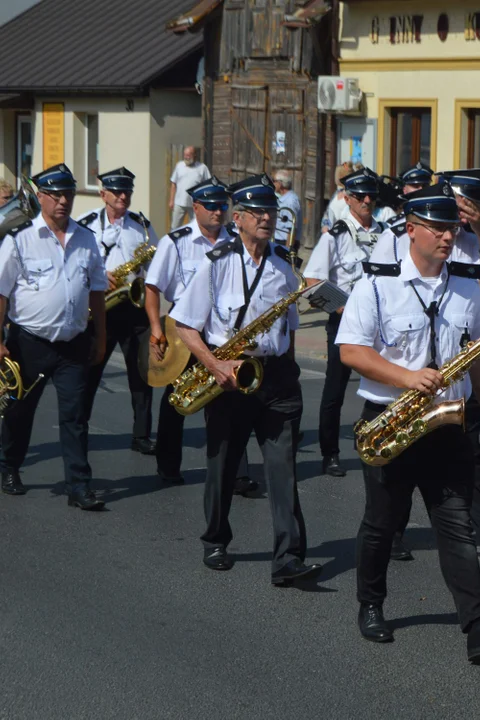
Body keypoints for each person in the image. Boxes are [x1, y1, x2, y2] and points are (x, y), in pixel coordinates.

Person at [336, 180, 480, 661]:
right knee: (382, 522)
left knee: (457, 523)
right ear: (411, 230)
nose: (448, 237)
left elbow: (479, 357)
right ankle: (371, 603)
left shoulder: (466, 285)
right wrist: (405, 377)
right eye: (439, 228)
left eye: (452, 228)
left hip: (448, 422)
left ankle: (479, 623)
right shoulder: (377, 283)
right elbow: (350, 351)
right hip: (393, 417)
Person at [169, 173, 320, 586]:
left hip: (276, 377)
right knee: (223, 463)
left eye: (270, 210)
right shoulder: (215, 264)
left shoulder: (285, 263)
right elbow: (184, 324)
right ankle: (215, 539)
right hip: (228, 375)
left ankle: (288, 558)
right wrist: (216, 366)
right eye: (257, 212)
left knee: (282, 468)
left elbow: (289, 324)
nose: (267, 218)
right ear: (238, 218)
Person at [369, 167, 480, 565]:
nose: (452, 225)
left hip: (456, 370)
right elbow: (381, 291)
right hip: (409, 373)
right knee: (399, 476)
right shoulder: (395, 236)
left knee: (468, 464)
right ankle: (394, 533)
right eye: (455, 205)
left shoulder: (468, 239)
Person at [0, 163, 107, 509]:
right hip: (28, 341)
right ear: (41, 196)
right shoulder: (19, 238)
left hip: (73, 343)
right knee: (19, 412)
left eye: (68, 194)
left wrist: (101, 337)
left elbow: (97, 293)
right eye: (55, 194)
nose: (63, 200)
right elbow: (1, 294)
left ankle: (79, 485)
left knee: (75, 416)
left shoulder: (86, 237)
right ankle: (9, 466)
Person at [143, 176, 254, 492]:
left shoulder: (236, 239)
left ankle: (236, 472)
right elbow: (152, 288)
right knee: (177, 398)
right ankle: (168, 465)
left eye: (222, 205)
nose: (218, 212)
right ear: (195, 207)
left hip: (223, 328)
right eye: (211, 206)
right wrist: (155, 331)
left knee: (228, 397)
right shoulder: (175, 242)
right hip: (184, 328)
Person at [304, 167, 386, 477]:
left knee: (381, 386)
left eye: (372, 196)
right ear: (347, 198)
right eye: (361, 196)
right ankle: (330, 453)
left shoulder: (386, 232)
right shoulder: (336, 236)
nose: (367, 200)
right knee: (335, 391)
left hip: (379, 325)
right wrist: (342, 311)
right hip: (344, 323)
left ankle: (376, 441)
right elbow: (313, 281)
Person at [77, 167, 159, 455]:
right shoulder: (85, 225)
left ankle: (141, 434)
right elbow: (74, 266)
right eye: (117, 192)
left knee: (141, 372)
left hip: (133, 307)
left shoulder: (143, 227)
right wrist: (100, 275)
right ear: (103, 194)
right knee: (90, 370)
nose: (124, 196)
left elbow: (155, 272)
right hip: (99, 307)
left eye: (127, 192)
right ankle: (79, 428)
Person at [168, 147, 211, 228]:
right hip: (179, 202)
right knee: (175, 227)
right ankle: (173, 240)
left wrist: (204, 201)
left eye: (188, 155)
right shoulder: (179, 166)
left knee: (195, 227)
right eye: (185, 155)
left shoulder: (202, 168)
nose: (186, 157)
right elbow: (173, 183)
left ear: (194, 155)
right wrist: (171, 200)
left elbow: (208, 185)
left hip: (195, 203)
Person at [273, 170, 302, 250]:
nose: (272, 184)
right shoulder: (284, 198)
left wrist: (287, 250)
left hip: (285, 242)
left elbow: (292, 228)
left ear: (280, 183)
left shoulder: (290, 202)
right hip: (278, 241)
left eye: (274, 181)